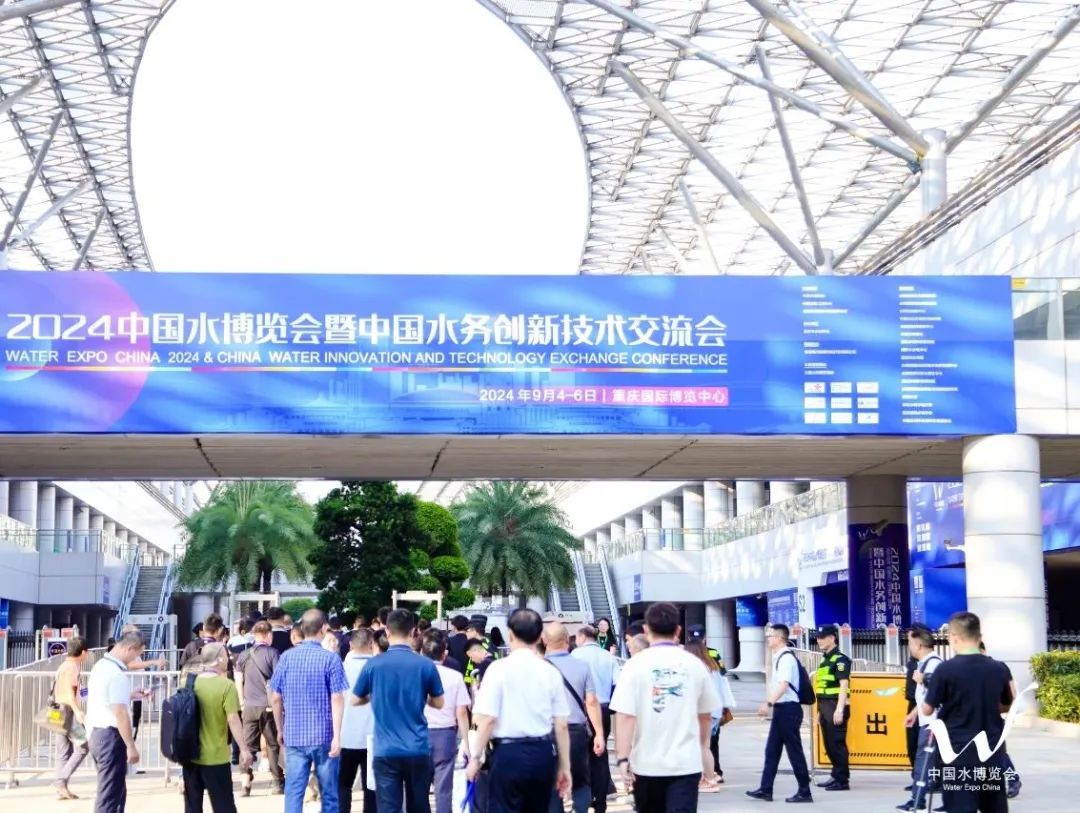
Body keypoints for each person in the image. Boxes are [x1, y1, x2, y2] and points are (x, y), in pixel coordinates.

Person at [610, 602, 718, 813]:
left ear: (646, 630)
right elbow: (705, 715)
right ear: (678, 630)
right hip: (685, 763)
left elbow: (625, 716)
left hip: (646, 765)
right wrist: (700, 747)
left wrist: (623, 758)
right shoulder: (695, 664)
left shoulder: (634, 665)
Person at [466, 608, 570, 813]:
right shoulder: (550, 671)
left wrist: (476, 758)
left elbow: (487, 719)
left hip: (507, 754)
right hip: (542, 753)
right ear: (540, 637)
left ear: (510, 634)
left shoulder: (498, 669)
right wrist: (565, 766)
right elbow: (561, 725)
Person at [353, 609, 444, 813]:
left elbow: (355, 699)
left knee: (388, 808)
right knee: (419, 806)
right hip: (417, 748)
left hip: (385, 749)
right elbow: (439, 702)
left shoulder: (373, 664)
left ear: (387, 631)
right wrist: (423, 697)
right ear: (414, 632)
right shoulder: (425, 665)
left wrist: (373, 696)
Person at [922, 613, 1013, 813]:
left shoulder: (945, 670)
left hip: (957, 754)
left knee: (960, 807)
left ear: (954, 637)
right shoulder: (998, 669)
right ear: (979, 637)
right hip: (991, 753)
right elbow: (1008, 704)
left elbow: (927, 709)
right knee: (993, 806)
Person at [270, 609, 349, 813]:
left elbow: (276, 696)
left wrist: (280, 728)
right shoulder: (331, 659)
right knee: (329, 792)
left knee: (294, 791)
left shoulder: (286, 658)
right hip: (324, 734)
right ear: (323, 628)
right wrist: (337, 735)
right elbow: (337, 697)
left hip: (294, 734)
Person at [746, 623, 813, 804]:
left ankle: (805, 791)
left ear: (779, 638)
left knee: (794, 751)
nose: (768, 639)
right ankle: (765, 789)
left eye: (770, 636)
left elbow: (783, 685)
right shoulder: (779, 656)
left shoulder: (786, 658)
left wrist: (768, 703)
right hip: (782, 709)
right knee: (772, 750)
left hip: (789, 709)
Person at [182, 643, 253, 813]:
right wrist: (244, 749)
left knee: (192, 807)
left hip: (190, 755)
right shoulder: (226, 686)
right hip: (216, 756)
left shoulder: (187, 683)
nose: (228, 659)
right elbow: (233, 719)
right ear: (219, 659)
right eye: (226, 656)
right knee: (224, 806)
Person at [545, 622, 604, 813]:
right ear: (566, 640)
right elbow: (591, 701)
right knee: (580, 781)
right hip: (576, 732)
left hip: (547, 732)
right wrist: (599, 734)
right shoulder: (582, 666)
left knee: (552, 784)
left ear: (545, 641)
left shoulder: (538, 668)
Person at [86, 630, 144, 813]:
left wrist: (129, 695)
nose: (135, 660)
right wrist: (131, 745)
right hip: (110, 736)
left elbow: (106, 699)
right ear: (130, 649)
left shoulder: (100, 666)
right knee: (110, 795)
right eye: (137, 655)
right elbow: (120, 713)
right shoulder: (116, 675)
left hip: (97, 734)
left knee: (114, 791)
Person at [572, 624, 620, 813]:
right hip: (604, 708)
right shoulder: (608, 656)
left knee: (580, 756)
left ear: (582, 637)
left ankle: (582, 800)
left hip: (582, 710)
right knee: (600, 756)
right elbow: (617, 683)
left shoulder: (575, 656)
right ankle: (600, 801)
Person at [422, 632, 471, 813]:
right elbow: (462, 712)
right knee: (443, 790)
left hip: (419, 734)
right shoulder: (455, 676)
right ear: (444, 655)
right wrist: (466, 742)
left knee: (418, 787)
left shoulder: (416, 675)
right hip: (445, 735)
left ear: (422, 653)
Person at [235, 620, 284, 796]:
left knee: (247, 745)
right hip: (268, 706)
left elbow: (238, 680)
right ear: (269, 635)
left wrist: (241, 702)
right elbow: (278, 681)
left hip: (249, 706)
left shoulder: (243, 655)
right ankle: (277, 782)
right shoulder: (273, 653)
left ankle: (245, 783)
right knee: (273, 745)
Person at [898, 626, 943, 812]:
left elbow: (938, 691)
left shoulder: (933, 664)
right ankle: (920, 799)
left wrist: (923, 679)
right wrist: (914, 713)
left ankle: (917, 800)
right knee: (925, 761)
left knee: (923, 762)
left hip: (933, 722)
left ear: (919, 645)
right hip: (927, 720)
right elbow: (926, 696)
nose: (909, 646)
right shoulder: (924, 664)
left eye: (910, 643)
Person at [340, 629, 378, 813]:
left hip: (344, 735)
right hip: (373, 735)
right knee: (371, 787)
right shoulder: (378, 668)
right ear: (371, 644)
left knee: (343, 784)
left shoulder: (340, 668)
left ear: (351, 645)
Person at [978, 641, 1022, 799]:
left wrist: (1010, 712)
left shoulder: (999, 667)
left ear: (983, 650)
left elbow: (1011, 691)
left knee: (997, 752)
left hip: (993, 716)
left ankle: (1013, 779)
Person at [685, 636, 729, 790]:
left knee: (701, 747)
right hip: (714, 710)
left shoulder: (697, 668)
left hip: (703, 710)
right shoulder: (712, 666)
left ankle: (707, 778)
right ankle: (710, 776)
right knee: (706, 746)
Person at [813, 624, 852, 791]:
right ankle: (835, 775)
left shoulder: (841, 659)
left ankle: (842, 780)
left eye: (822, 638)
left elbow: (844, 685)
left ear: (832, 638)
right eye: (818, 638)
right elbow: (822, 688)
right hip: (825, 706)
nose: (819, 641)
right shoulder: (825, 659)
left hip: (836, 705)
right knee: (829, 744)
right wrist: (819, 711)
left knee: (836, 744)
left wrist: (839, 710)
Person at [53, 636, 90, 800]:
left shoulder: (64, 666)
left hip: (57, 710)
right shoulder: (71, 668)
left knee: (63, 751)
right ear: (83, 652)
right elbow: (69, 692)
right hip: (67, 711)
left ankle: (61, 788)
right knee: (83, 746)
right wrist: (77, 711)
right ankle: (61, 781)